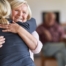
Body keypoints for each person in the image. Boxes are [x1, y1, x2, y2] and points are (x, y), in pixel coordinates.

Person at [0, 0, 42, 66]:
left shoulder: (31, 30)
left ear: (27, 15)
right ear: (9, 12)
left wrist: (19, 29)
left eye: (24, 12)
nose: (20, 14)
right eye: (16, 10)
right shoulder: (2, 26)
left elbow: (36, 49)